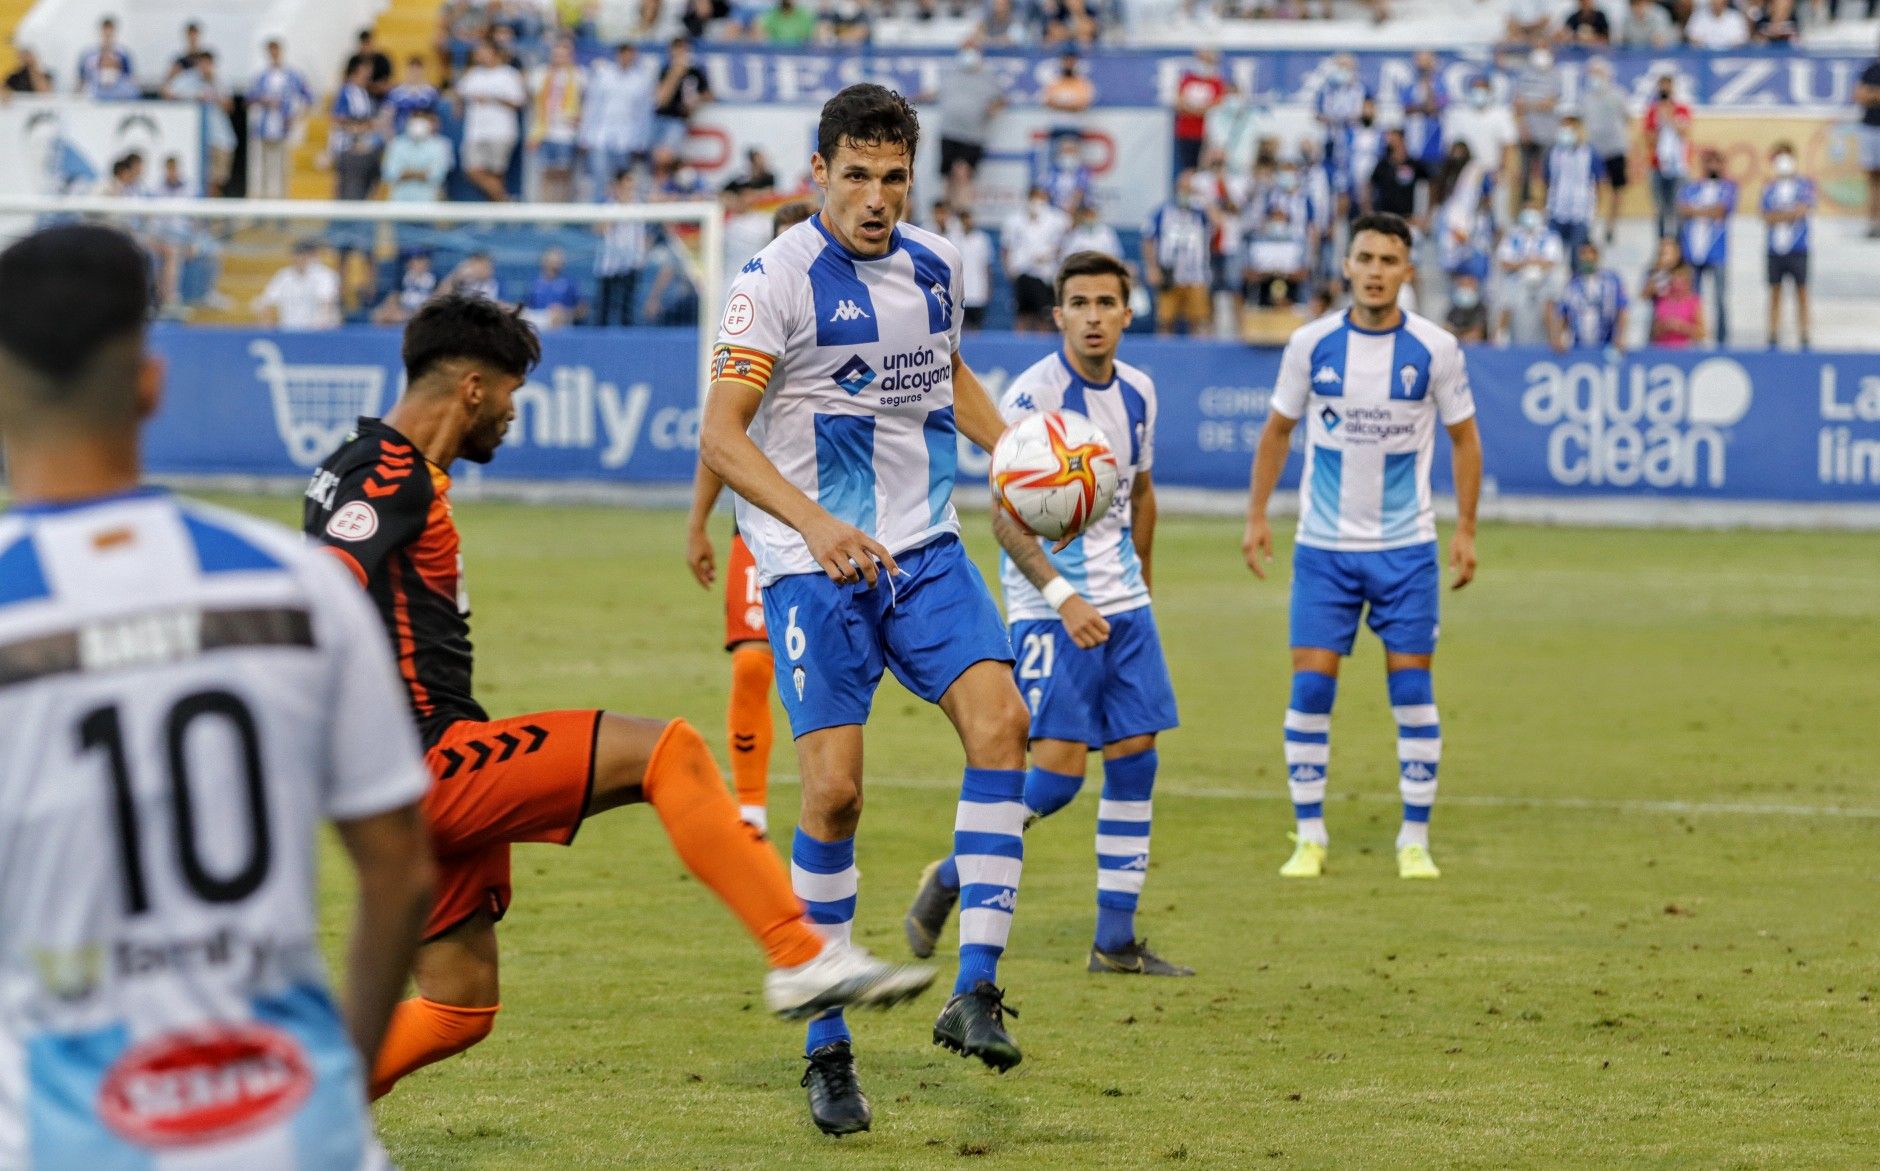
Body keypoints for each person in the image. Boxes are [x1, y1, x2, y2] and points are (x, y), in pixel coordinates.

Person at [307, 294, 934, 1103]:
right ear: (470, 387)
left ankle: (284, 1128)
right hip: (421, 763)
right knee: (664, 750)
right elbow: (318, 596)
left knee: (458, 1005)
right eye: (510, 392)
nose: (511, 412)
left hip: (412, 770)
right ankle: (801, 955)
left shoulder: (372, 464)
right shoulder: (385, 472)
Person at [0, 222, 434, 1171]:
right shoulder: (297, 585)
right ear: (150, 385)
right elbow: (400, 870)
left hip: (69, 1139)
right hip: (300, 1130)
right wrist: (340, 1087)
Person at [698, 84, 1035, 1136]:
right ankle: (826, 1046)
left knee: (1003, 726)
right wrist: (815, 526)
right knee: (833, 795)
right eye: (856, 175)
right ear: (818, 176)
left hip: (925, 549)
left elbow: (945, 375)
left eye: (893, 176)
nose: (876, 196)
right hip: (813, 567)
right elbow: (720, 433)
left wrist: (1026, 455)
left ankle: (973, 986)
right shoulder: (773, 283)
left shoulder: (935, 265)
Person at [905, 250, 1191, 979]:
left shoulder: (1141, 393)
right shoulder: (1032, 398)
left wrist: (1141, 589)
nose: (1093, 316)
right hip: (1050, 611)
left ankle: (1115, 942)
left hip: (1124, 606)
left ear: (1129, 312)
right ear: (1057, 313)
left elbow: (1142, 494)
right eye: (1079, 303)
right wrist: (1065, 599)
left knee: (1137, 761)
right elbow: (1006, 517)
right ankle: (950, 874)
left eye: (1106, 303)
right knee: (1057, 779)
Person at [1242, 212, 1483, 882]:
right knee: (1312, 689)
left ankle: (1414, 837)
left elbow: (1465, 440)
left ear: (1408, 271)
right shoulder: (1311, 343)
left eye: (1389, 260)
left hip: (1406, 550)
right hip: (1324, 550)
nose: (1376, 271)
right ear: (1346, 265)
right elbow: (1276, 432)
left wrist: (1464, 528)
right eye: (1366, 258)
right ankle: (1310, 836)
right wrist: (1256, 515)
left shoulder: (1435, 348)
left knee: (1411, 690)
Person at [683, 201, 817, 836]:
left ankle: (829, 801)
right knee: (752, 663)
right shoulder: (751, 326)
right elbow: (722, 434)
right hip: (764, 531)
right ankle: (753, 810)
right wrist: (698, 524)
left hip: (846, 526)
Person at [581, 43, 658, 203]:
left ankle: (617, 223)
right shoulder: (603, 75)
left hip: (626, 138)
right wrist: (585, 135)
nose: (627, 58)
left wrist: (641, 141)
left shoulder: (640, 80)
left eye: (630, 54)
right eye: (624, 54)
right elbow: (592, 106)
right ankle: (598, 221)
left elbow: (643, 113)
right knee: (599, 179)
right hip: (600, 136)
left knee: (622, 181)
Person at [933, 42, 1005, 211]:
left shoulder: (987, 77)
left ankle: (961, 212)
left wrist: (993, 108)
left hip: (973, 135)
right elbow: (936, 92)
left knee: (963, 174)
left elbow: (1000, 99)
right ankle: (946, 215)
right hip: (949, 131)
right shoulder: (951, 75)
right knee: (948, 176)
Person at [1143, 173, 1214, 336]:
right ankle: (1162, 358)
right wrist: (1152, 267)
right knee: (1165, 321)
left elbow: (1218, 222)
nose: (1186, 192)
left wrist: (1202, 197)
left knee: (1198, 321)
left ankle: (1198, 358)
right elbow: (1148, 239)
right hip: (1170, 273)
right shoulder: (1162, 211)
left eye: (1189, 189)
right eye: (1183, 188)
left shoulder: (1200, 213)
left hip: (1196, 275)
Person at [1677, 150, 1736, 345]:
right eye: (1708, 162)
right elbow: (1682, 209)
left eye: (1716, 162)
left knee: (1719, 299)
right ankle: (1695, 338)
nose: (1712, 166)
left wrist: (1696, 210)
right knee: (1694, 300)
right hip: (1692, 251)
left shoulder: (1728, 187)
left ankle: (1722, 341)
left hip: (1717, 252)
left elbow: (1721, 210)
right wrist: (1707, 211)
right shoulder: (1691, 187)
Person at [457, 42, 526, 203]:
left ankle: (495, 217)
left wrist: (492, 98)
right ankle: (505, 203)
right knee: (472, 170)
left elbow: (518, 102)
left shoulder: (509, 74)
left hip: (500, 131)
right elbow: (459, 93)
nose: (479, 56)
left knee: (496, 173)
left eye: (483, 51)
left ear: (495, 53)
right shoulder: (474, 74)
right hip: (475, 131)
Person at [1762, 141, 1814, 349]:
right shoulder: (1769, 188)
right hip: (1774, 249)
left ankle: (1804, 333)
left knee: (1801, 292)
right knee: (1775, 292)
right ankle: (1773, 333)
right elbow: (1766, 216)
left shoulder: (1804, 185)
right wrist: (1789, 214)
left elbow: (1802, 211)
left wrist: (1780, 214)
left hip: (1798, 248)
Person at [248, 39, 314, 201]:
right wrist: (264, 100)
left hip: (284, 127)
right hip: (264, 127)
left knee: (283, 167)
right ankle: (262, 203)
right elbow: (250, 97)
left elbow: (309, 96)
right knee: (262, 168)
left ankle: (282, 202)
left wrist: (297, 116)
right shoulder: (262, 76)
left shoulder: (292, 75)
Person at [1443, 74, 1517, 217]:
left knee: (1497, 215)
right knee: (1464, 215)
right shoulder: (1458, 114)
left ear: (1490, 91)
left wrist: (1504, 172)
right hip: (1466, 175)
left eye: (1483, 88)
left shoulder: (1501, 114)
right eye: (1476, 88)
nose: (1479, 92)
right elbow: (1452, 147)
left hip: (1493, 172)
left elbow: (1508, 147)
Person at [1004, 186, 1072, 333]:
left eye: (1041, 197)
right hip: (1023, 274)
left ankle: (1042, 350)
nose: (1037, 202)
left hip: (1045, 276)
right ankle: (1019, 349)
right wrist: (1010, 270)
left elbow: (1066, 239)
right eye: (1034, 197)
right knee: (1023, 316)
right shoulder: (1014, 221)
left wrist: (1052, 254)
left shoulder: (1056, 219)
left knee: (1045, 317)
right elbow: (1006, 248)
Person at [1496, 202, 1564, 346]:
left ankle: (1555, 341)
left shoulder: (1549, 236)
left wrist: (1523, 262)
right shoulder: (1512, 235)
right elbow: (1504, 262)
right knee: (1506, 298)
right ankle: (1499, 339)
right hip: (1517, 281)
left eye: (1533, 209)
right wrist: (1529, 262)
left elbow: (1551, 263)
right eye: (1527, 210)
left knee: (1551, 302)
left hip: (1542, 282)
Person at [1580, 59, 1631, 245]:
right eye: (1592, 73)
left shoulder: (1618, 95)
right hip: (1594, 151)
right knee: (1593, 189)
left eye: (1598, 73)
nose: (1595, 77)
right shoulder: (1585, 98)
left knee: (1616, 190)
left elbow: (1627, 118)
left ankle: (1611, 226)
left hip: (1615, 148)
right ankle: (1591, 224)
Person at [529, 38, 585, 203]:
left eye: (564, 55)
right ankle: (545, 210)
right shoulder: (541, 73)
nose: (559, 58)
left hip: (566, 132)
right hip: (544, 131)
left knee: (563, 172)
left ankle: (561, 208)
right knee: (545, 172)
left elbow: (586, 102)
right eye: (557, 54)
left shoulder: (579, 75)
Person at [593, 171, 649, 327]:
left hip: (631, 263)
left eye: (631, 188)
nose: (629, 191)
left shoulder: (639, 207)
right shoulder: (608, 206)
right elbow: (598, 229)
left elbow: (643, 234)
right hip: (609, 264)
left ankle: (629, 344)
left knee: (627, 309)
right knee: (603, 310)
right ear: (617, 187)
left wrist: (641, 255)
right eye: (625, 187)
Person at [1552, 240, 1628, 352]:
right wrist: (1559, 337)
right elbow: (1563, 313)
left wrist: (1621, 336)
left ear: (1597, 256)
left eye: (1591, 253)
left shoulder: (1612, 280)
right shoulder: (1572, 283)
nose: (1587, 257)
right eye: (1583, 254)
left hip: (1606, 346)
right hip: (1578, 347)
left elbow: (1622, 309)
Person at [1544, 114, 1602, 258]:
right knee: (1552, 253)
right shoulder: (1553, 153)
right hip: (1556, 211)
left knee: (1577, 255)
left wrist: (1594, 207)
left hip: (1581, 212)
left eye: (1570, 129)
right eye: (1563, 128)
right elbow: (1547, 181)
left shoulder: (1590, 153)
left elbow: (1599, 182)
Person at [1643, 74, 1692, 242]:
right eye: (1661, 86)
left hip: (1678, 167)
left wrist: (1669, 116)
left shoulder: (1681, 109)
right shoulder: (1652, 111)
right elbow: (1649, 139)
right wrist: (1659, 120)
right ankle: (1662, 246)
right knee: (1661, 209)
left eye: (1667, 86)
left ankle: (1679, 246)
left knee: (1678, 208)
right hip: (1657, 166)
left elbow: (1684, 132)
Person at [1512, 45, 1562, 208]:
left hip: (1547, 135)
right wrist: (1523, 127)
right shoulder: (1524, 75)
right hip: (1527, 134)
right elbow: (1518, 104)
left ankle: (1547, 208)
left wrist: (1528, 103)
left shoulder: (1556, 75)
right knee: (1525, 176)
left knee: (1547, 175)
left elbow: (1549, 103)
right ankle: (1524, 210)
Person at [255, 240, 341, 330]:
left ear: (312, 256)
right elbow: (264, 302)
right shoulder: (283, 276)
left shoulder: (326, 275)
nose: (300, 259)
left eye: (304, 255)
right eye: (297, 255)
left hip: (318, 332)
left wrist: (320, 328)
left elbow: (327, 303)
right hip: (288, 331)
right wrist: (266, 327)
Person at [331, 59, 383, 201]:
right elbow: (338, 117)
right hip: (346, 143)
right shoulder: (346, 92)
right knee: (343, 182)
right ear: (356, 73)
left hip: (363, 142)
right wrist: (357, 126)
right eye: (364, 73)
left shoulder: (365, 94)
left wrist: (369, 126)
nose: (367, 76)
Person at [1174, 48, 1231, 175]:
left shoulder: (1217, 82)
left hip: (1207, 134)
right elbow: (1179, 104)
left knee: (1206, 170)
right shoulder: (1187, 80)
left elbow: (1217, 105)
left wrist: (1192, 109)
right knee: (1188, 168)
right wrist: (1201, 109)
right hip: (1186, 132)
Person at [653, 38, 712, 153]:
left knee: (667, 154)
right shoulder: (665, 71)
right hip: (659, 118)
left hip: (677, 119)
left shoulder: (694, 72)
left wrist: (695, 101)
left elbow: (708, 94)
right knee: (653, 154)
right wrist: (675, 74)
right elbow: (661, 99)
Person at [383, 108, 454, 202]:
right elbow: (390, 173)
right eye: (416, 119)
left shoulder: (441, 145)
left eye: (423, 119)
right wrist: (422, 173)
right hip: (399, 201)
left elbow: (437, 175)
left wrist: (406, 173)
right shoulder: (396, 143)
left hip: (429, 201)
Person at [1397, 50, 1448, 170]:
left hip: (1433, 148)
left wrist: (1427, 84)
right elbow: (1406, 109)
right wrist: (1423, 108)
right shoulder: (1410, 85)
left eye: (1425, 61)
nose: (1421, 65)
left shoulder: (1440, 84)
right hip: (1412, 147)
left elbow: (1435, 106)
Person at [519, 246, 581, 329]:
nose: (555, 265)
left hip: (561, 325)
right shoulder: (533, 283)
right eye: (552, 262)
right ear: (544, 262)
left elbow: (582, 309)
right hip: (537, 323)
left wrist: (566, 314)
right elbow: (524, 306)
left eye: (558, 262)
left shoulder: (569, 283)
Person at [952, 207, 994, 329]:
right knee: (958, 328)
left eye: (969, 219)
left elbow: (987, 266)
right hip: (959, 292)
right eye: (964, 220)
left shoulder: (982, 239)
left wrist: (988, 287)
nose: (967, 222)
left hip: (977, 291)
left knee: (976, 327)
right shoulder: (953, 238)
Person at [76, 16, 137, 100]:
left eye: (110, 33)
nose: (107, 36)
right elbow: (81, 79)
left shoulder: (123, 54)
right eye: (105, 33)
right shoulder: (88, 54)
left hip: (117, 96)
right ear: (101, 32)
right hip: (92, 95)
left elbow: (130, 78)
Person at [372, 250, 439, 325]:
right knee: (379, 314)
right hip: (404, 310)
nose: (418, 265)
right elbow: (393, 297)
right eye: (415, 262)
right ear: (409, 264)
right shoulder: (403, 278)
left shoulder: (434, 279)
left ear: (427, 263)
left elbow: (437, 299)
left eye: (421, 262)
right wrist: (391, 307)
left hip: (424, 311)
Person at [1648, 263, 1706, 348]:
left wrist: (1682, 327)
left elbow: (1702, 334)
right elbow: (1653, 332)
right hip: (1661, 349)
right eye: (1674, 279)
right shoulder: (1662, 299)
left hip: (1685, 350)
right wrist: (1665, 326)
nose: (1677, 284)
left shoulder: (1693, 302)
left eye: (1681, 280)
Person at [1858, 36, 1880, 238]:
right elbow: (1859, 95)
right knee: (1873, 178)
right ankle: (1873, 222)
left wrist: (1873, 95)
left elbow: (1868, 95)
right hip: (1871, 127)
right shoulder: (1871, 69)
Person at [384, 56, 440, 133]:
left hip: (425, 132)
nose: (415, 74)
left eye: (417, 71)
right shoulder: (396, 92)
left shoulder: (431, 92)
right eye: (412, 71)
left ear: (423, 72)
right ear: (407, 71)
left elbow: (436, 117)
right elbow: (388, 114)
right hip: (401, 131)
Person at [345, 28, 394, 98]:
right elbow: (347, 81)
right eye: (364, 44)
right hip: (358, 97)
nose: (366, 47)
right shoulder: (354, 60)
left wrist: (366, 85)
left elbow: (388, 85)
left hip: (380, 99)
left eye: (368, 43)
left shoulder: (382, 60)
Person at [1686, 0, 1751, 48]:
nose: (1716, 3)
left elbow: (1742, 38)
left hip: (1730, 57)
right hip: (1704, 56)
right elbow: (1691, 36)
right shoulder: (1699, 16)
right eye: (1713, 1)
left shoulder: (1736, 17)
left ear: (1725, 2)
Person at [1445, 271, 1489, 341]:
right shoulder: (1454, 309)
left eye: (1468, 285)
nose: (1465, 288)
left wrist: (1457, 335)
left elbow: (1475, 335)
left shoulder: (1481, 308)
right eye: (1462, 285)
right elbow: (1446, 330)